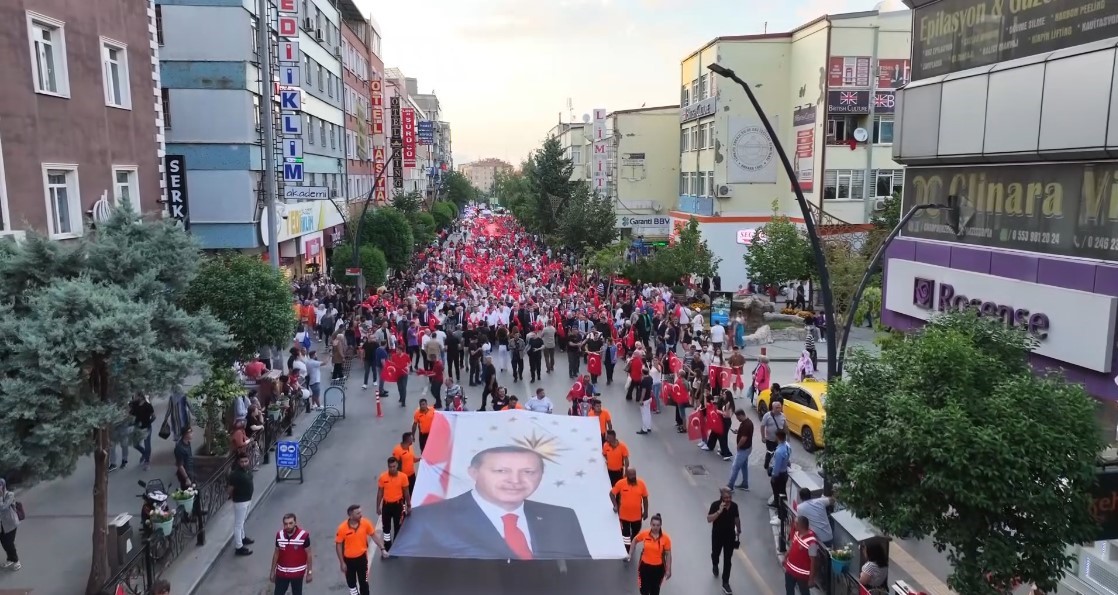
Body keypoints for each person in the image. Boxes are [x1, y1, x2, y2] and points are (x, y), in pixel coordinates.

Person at [389, 445, 590, 559]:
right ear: (473, 472)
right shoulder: (429, 519)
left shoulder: (563, 517)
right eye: (501, 471)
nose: (515, 480)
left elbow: (581, 571)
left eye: (528, 472)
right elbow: (411, 575)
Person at [334, 505, 386, 595]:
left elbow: (374, 535)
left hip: (362, 559)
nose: (361, 515)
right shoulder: (342, 528)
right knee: (351, 584)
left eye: (360, 512)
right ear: (351, 516)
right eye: (358, 513)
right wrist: (342, 562)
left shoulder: (365, 523)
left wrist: (382, 548)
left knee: (364, 583)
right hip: (348, 561)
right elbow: (338, 545)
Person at [706, 487, 740, 594]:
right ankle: (715, 564)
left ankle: (725, 582)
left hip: (729, 536)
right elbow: (709, 519)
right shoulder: (715, 505)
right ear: (721, 497)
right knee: (715, 553)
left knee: (728, 560)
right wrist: (719, 511)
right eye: (726, 497)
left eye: (730, 497)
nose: (728, 499)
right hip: (717, 535)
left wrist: (738, 530)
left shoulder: (734, 506)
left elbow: (736, 518)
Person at [270, 513, 312, 595]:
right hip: (282, 573)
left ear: (295, 523)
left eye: (290, 523)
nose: (288, 526)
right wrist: (272, 571)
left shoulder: (304, 536)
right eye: (286, 524)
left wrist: (309, 573)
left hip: (297, 574)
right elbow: (276, 553)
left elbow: (309, 555)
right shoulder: (279, 535)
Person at [376, 457, 411, 553]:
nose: (392, 468)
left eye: (394, 466)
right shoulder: (383, 477)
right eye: (390, 467)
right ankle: (388, 547)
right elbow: (380, 492)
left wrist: (408, 505)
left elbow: (406, 492)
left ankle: (397, 547)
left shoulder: (403, 477)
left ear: (397, 466)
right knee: (386, 528)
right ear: (388, 466)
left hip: (398, 506)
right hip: (386, 506)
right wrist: (378, 506)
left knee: (398, 526)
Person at [631, 513, 672, 595]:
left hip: (658, 569)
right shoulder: (645, 534)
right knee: (644, 590)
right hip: (644, 567)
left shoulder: (666, 538)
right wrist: (630, 553)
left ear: (661, 525)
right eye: (653, 525)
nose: (655, 527)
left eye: (657, 525)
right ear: (650, 524)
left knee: (655, 590)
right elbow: (635, 540)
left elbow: (668, 555)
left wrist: (668, 570)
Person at [610, 467, 648, 555]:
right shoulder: (621, 483)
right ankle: (627, 550)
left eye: (634, 475)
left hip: (637, 516)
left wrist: (646, 512)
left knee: (636, 531)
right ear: (626, 475)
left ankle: (633, 541)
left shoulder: (641, 484)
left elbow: (645, 498)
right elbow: (611, 494)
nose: (633, 477)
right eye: (630, 476)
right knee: (625, 533)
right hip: (624, 516)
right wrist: (615, 505)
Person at [227, 452, 255, 556]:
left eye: (246, 461)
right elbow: (230, 489)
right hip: (240, 501)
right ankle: (239, 547)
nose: (244, 463)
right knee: (238, 524)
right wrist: (231, 497)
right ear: (238, 462)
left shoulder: (247, 470)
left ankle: (243, 538)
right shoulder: (235, 475)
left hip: (248, 499)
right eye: (242, 461)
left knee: (242, 521)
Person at [784, 515, 818, 595]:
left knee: (804, 592)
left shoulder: (811, 542)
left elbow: (813, 562)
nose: (794, 525)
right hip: (790, 570)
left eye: (795, 523)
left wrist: (811, 579)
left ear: (800, 525)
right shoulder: (797, 533)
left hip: (802, 575)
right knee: (789, 590)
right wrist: (786, 556)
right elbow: (792, 546)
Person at [727, 409, 752, 491]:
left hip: (744, 449)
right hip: (747, 448)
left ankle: (730, 486)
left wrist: (738, 446)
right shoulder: (746, 423)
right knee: (744, 466)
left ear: (741, 415)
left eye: (738, 417)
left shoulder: (746, 425)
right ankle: (745, 484)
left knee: (735, 467)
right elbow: (744, 433)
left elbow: (744, 437)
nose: (737, 419)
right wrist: (738, 431)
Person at [769, 430, 791, 513]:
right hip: (784, 472)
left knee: (778, 491)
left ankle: (780, 510)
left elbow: (777, 466)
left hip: (779, 475)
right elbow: (788, 457)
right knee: (782, 491)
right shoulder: (787, 446)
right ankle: (781, 507)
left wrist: (774, 476)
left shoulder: (779, 451)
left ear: (778, 437)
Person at [0, 479, 19, 571]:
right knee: (4, 543)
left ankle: (16, 561)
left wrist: (0, 496)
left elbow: (3, 507)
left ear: (3, 486)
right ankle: (10, 559)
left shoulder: (10, 495)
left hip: (10, 524)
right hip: (1, 525)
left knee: (9, 543)